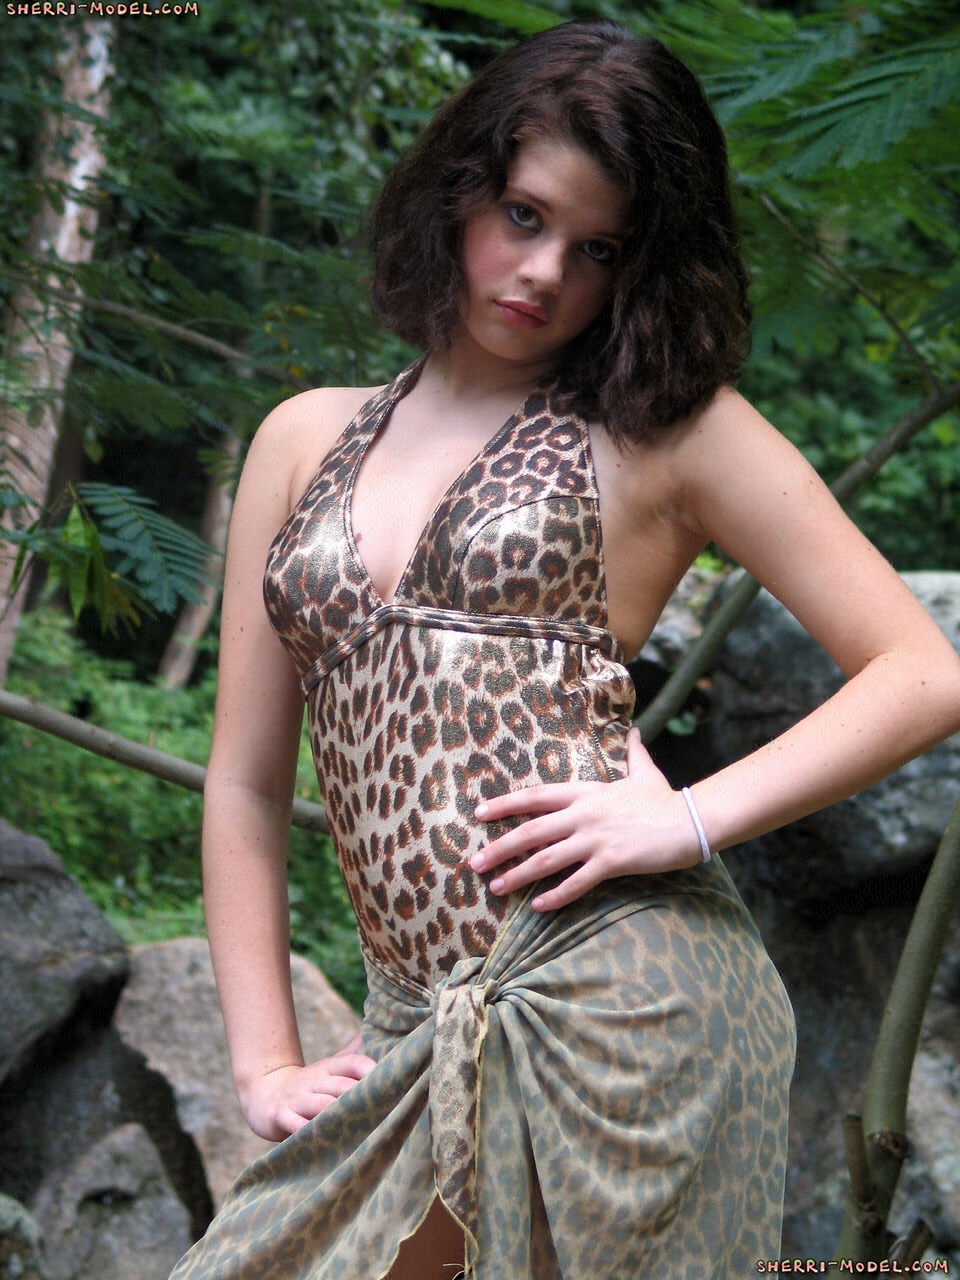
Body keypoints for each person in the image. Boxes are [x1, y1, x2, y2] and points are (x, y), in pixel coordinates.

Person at [169, 19, 960, 1280]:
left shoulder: (669, 430)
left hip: (621, 996)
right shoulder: (302, 436)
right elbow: (247, 781)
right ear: (458, 190)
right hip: (416, 1021)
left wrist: (686, 818)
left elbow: (925, 668)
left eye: (598, 248)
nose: (544, 272)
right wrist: (262, 1057)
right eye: (524, 216)